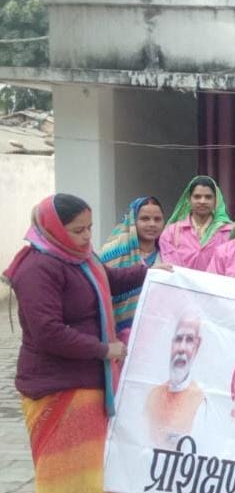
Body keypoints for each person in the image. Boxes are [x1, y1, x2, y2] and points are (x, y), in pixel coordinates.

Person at [5, 194, 160, 493]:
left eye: (89, 228)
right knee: (68, 479)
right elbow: (48, 332)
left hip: (88, 382)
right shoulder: (38, 268)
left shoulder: (83, 258)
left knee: (92, 475)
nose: (87, 236)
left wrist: (148, 272)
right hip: (56, 386)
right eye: (78, 230)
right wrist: (103, 349)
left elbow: (109, 280)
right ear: (53, 229)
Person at [100, 196, 165, 342]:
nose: (152, 224)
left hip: (158, 335)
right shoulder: (112, 253)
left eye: (157, 219)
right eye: (145, 219)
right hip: (119, 338)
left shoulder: (169, 253)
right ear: (133, 221)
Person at [145, 314, 206, 450]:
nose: (181, 348)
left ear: (197, 347)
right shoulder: (153, 396)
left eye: (189, 340)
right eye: (178, 339)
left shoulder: (199, 402)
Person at [159, 176, 233, 270]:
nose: (202, 201)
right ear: (189, 199)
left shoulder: (228, 232)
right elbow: (170, 267)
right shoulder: (171, 232)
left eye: (208, 197)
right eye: (197, 197)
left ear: (216, 200)